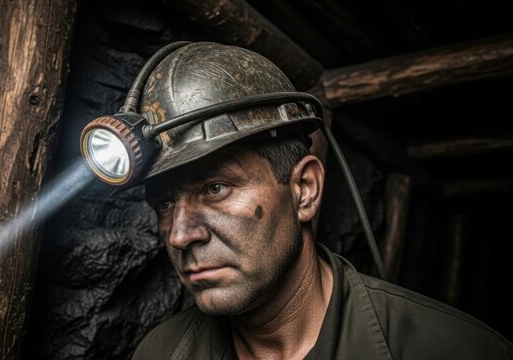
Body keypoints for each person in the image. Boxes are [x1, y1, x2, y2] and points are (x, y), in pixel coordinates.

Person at [128, 42, 513, 359]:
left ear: (304, 190)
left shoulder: (455, 350)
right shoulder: (157, 353)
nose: (179, 236)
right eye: (164, 203)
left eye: (215, 188)